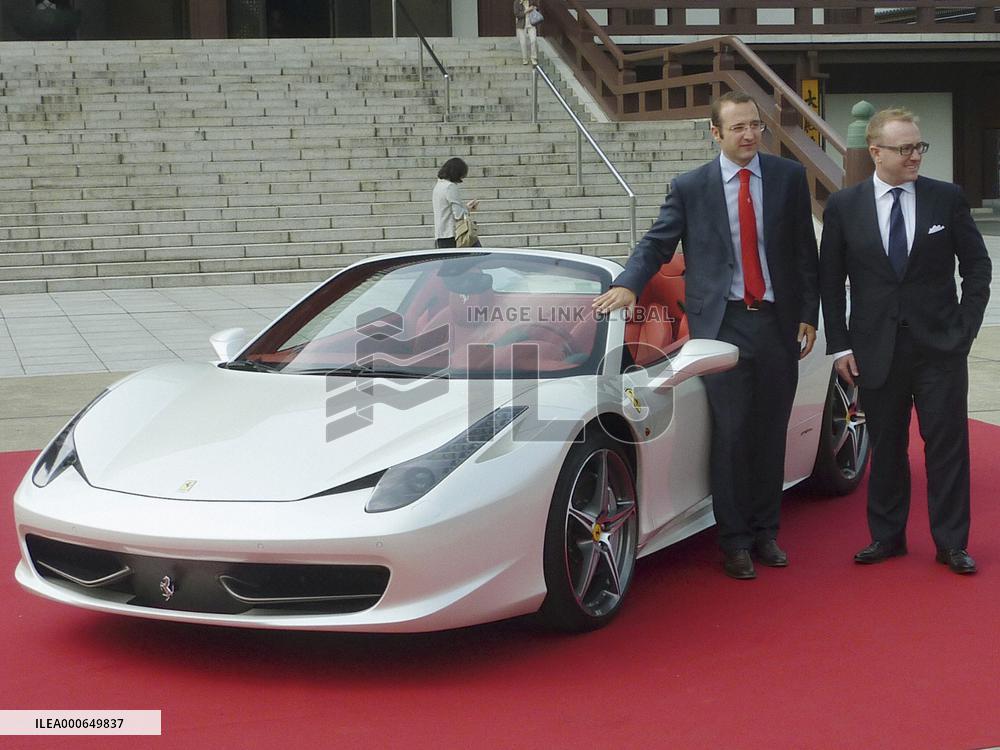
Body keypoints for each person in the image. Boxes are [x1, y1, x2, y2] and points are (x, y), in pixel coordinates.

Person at [593, 91, 819, 580]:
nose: (748, 135)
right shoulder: (691, 187)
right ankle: (734, 540)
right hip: (723, 325)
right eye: (737, 127)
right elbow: (657, 242)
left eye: (755, 126)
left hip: (777, 323)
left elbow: (805, 251)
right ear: (715, 133)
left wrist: (809, 314)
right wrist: (628, 284)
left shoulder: (787, 179)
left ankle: (766, 532)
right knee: (733, 433)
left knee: (769, 430)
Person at [819, 107, 992, 574]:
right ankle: (887, 536)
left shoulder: (945, 199)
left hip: (940, 348)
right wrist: (840, 345)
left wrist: (964, 329)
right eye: (905, 148)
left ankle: (951, 542)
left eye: (919, 147)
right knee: (887, 446)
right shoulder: (844, 206)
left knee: (947, 446)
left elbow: (977, 268)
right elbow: (830, 283)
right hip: (874, 349)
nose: (916, 155)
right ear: (875, 152)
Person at [432, 157, 479, 249]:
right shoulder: (450, 187)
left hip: (441, 234)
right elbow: (458, 215)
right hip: (454, 234)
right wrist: (468, 209)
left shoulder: (438, 186)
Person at [514, 0, 539, 66]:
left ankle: (534, 58)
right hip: (521, 24)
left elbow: (537, 8)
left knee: (533, 40)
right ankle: (524, 59)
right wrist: (527, 10)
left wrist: (535, 8)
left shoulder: (531, 1)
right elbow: (517, 14)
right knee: (523, 42)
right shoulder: (517, 2)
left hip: (531, 23)